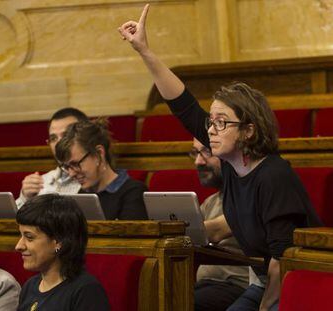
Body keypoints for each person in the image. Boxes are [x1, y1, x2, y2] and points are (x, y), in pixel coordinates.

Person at [118, 5, 322, 310]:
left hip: (301, 283)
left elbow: (284, 263)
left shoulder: (273, 175)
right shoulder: (230, 165)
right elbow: (183, 105)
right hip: (264, 279)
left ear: (249, 131)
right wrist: (144, 51)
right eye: (211, 121)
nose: (211, 129)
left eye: (222, 122)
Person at [15, 194, 110, 311]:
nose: (18, 246)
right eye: (21, 235)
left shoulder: (86, 291)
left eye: (29, 237)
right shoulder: (30, 286)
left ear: (59, 241)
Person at [191, 138, 249, 311]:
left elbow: (214, 231)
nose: (198, 161)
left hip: (236, 286)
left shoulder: (250, 196)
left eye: (207, 152)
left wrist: (172, 228)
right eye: (195, 152)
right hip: (205, 285)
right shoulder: (211, 201)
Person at [55, 119, 148, 220]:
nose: (71, 174)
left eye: (75, 164)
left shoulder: (133, 192)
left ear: (99, 153)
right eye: (67, 167)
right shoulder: (82, 194)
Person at [16, 108, 89, 209]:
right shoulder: (41, 182)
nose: (58, 143)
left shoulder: (92, 179)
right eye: (53, 138)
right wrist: (25, 198)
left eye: (66, 135)